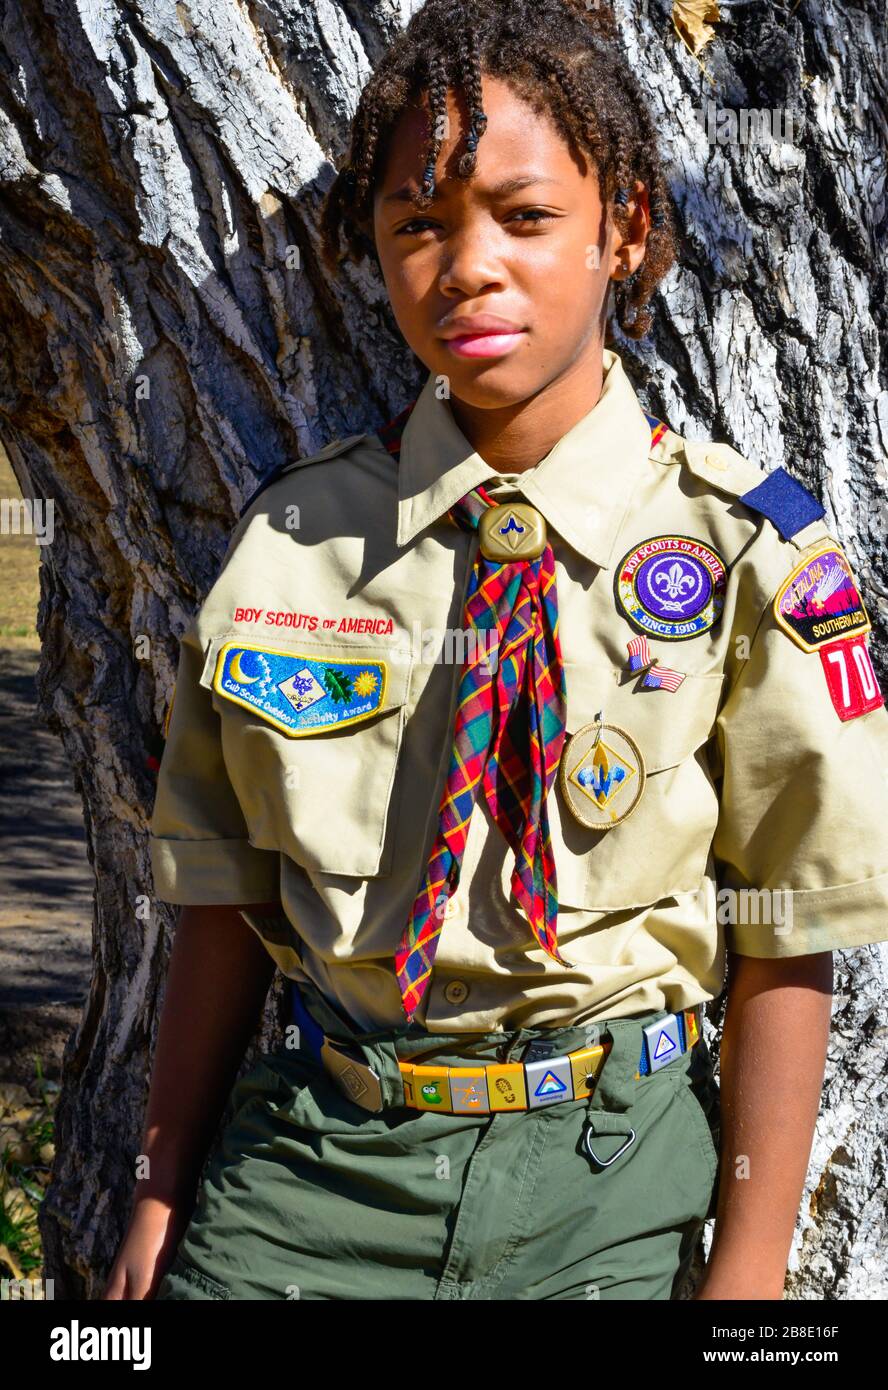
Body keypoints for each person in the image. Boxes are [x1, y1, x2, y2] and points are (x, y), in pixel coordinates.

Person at [104, 0, 888, 1302]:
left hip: (610, 1170)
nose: (467, 265)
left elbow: (786, 931)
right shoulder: (297, 545)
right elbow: (225, 896)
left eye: (524, 218)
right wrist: (158, 1176)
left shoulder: (748, 552)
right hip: (321, 1156)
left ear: (623, 229)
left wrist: (746, 1275)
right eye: (418, 224)